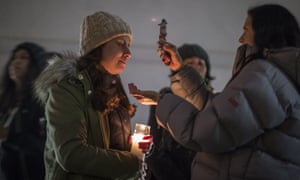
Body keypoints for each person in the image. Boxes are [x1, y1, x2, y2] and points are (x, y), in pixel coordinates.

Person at [155, 4, 300, 180]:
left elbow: (210, 132)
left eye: (246, 29)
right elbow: (218, 113)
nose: (240, 39)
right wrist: (179, 69)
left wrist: (163, 102)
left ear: (263, 32)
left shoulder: (265, 76)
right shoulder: (273, 75)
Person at [34, 11, 150, 180]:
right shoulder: (67, 90)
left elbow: (112, 144)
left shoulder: (115, 89)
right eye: (120, 43)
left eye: (128, 45)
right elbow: (71, 154)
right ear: (97, 47)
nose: (128, 52)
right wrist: (131, 163)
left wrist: (136, 147)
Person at [0, 42, 47, 180]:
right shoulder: (5, 101)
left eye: (23, 57)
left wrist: (9, 136)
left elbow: (45, 146)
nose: (16, 62)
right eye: (14, 57)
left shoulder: (42, 102)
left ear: (35, 65)